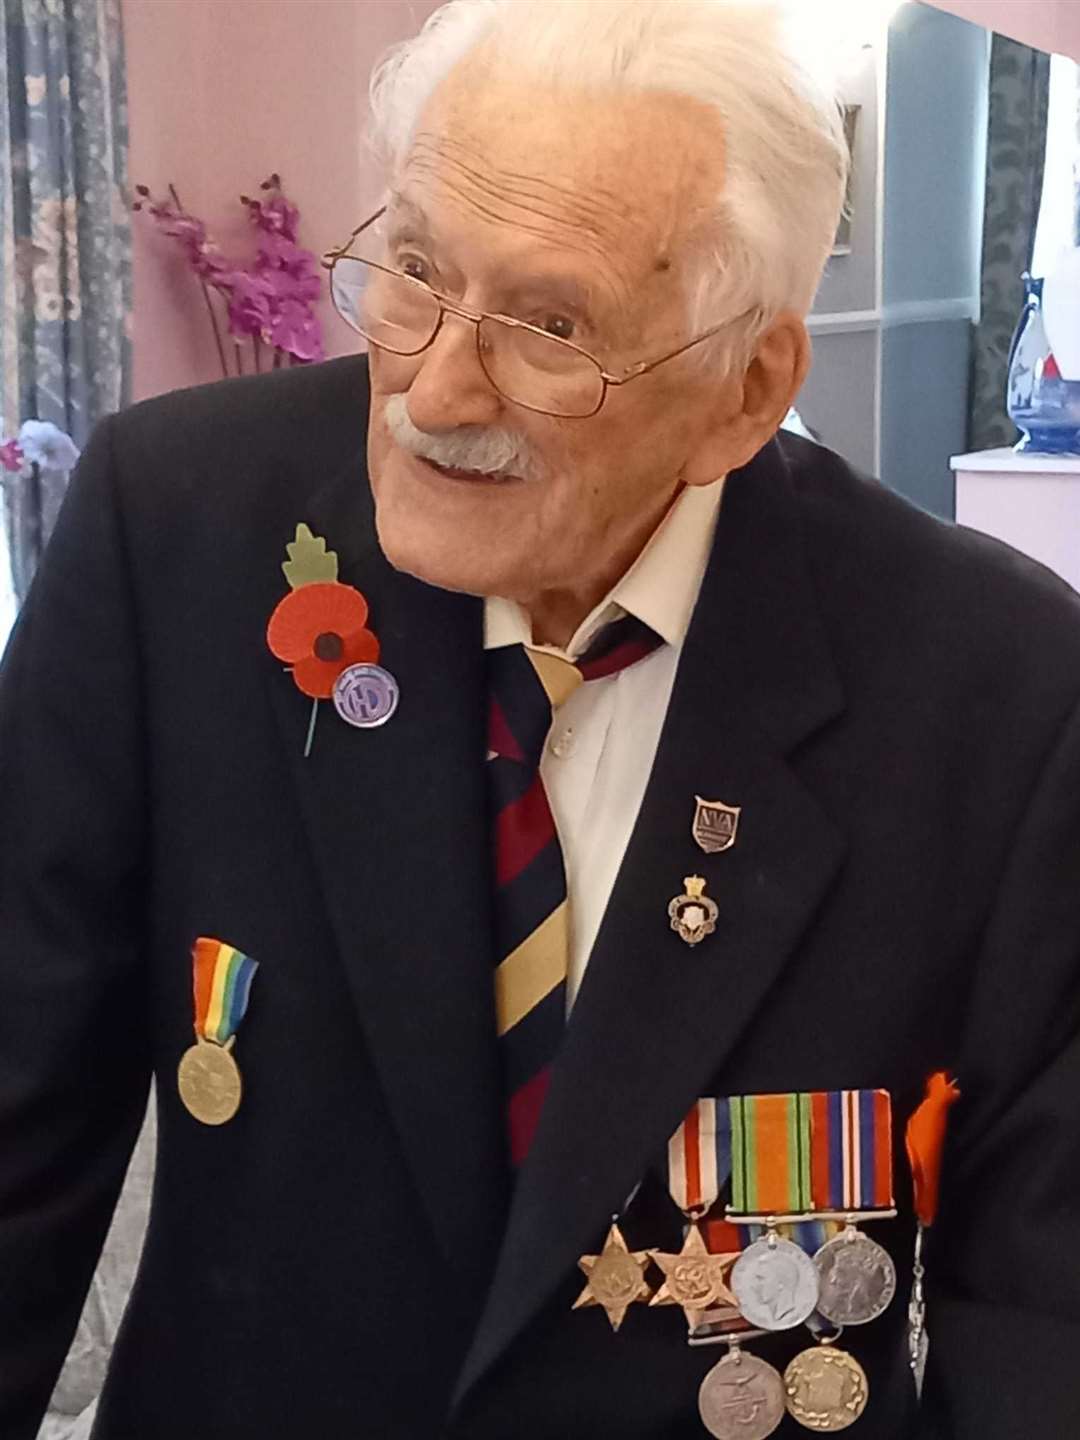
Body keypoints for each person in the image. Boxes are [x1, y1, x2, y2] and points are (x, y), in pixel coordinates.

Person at [2, 2, 1079, 1436]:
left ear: (746, 387)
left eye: (549, 324)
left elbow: (1046, 1317)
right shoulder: (178, 531)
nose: (436, 391)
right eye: (414, 272)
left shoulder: (994, 687)